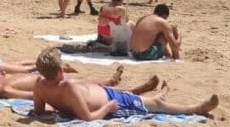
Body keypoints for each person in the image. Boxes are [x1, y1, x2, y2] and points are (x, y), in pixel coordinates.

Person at [32, 46, 217, 120]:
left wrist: (63, 108)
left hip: (105, 93)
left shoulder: (39, 85)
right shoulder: (68, 87)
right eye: (62, 68)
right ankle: (194, 109)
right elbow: (87, 118)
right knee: (154, 105)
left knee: (129, 94)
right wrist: (108, 108)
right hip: (110, 102)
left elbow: (39, 111)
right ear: (58, 72)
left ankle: (160, 95)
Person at [0, 65, 160, 100]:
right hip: (50, 86)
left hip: (48, 79)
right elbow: (30, 95)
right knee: (89, 88)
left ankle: (111, 80)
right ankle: (134, 90)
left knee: (84, 81)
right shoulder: (3, 89)